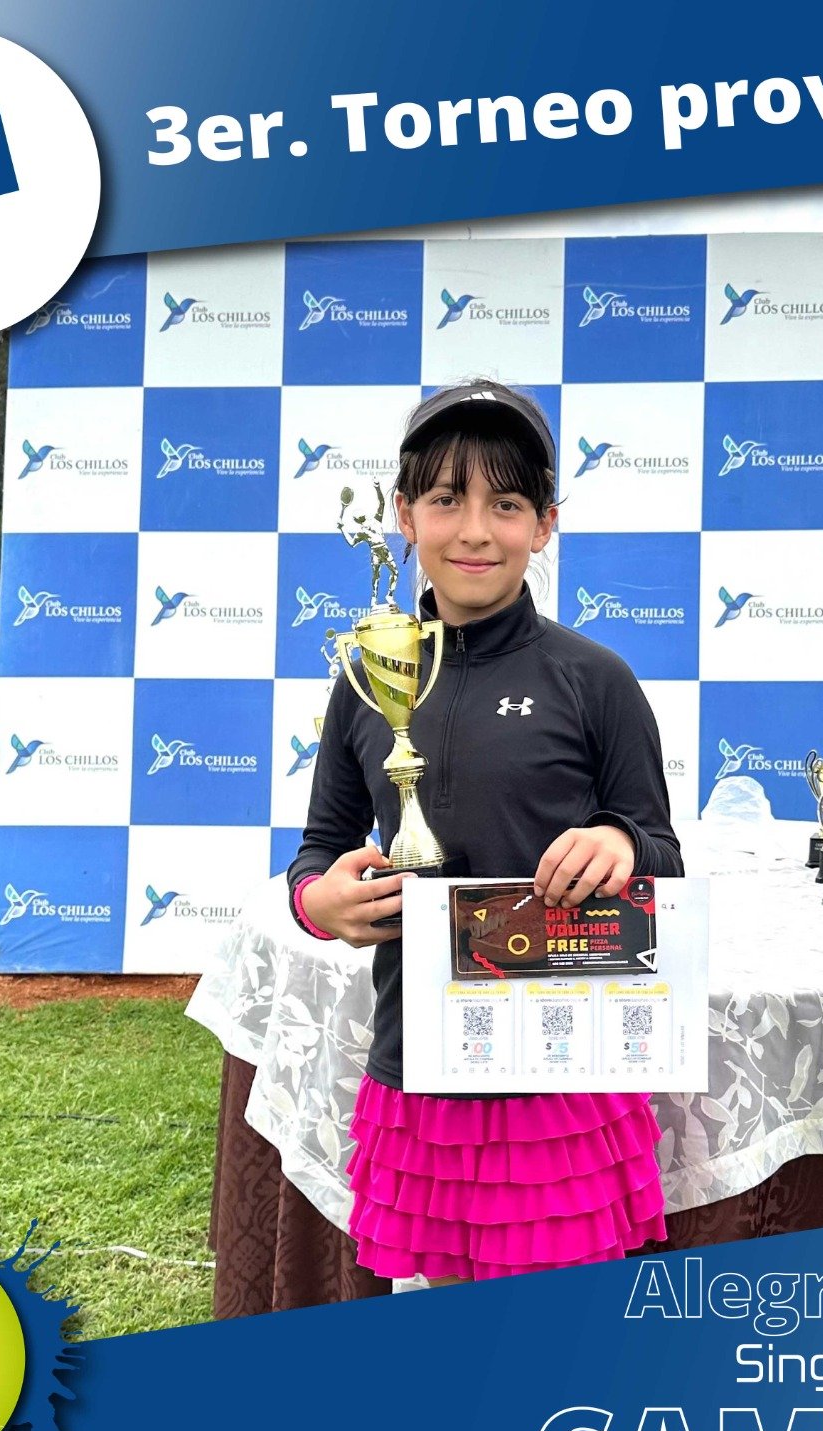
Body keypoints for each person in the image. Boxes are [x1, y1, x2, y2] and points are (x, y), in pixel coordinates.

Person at [284, 380, 681, 1285]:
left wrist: (621, 844)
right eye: (445, 500)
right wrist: (320, 902)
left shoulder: (596, 679)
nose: (474, 532)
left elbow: (663, 856)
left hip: (560, 1074)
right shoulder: (365, 678)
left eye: (505, 504)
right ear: (404, 516)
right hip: (420, 1062)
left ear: (544, 524)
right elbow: (318, 851)